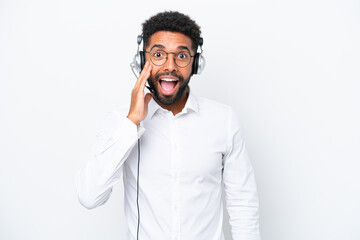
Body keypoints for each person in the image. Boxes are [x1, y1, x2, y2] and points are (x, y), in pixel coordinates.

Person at [76, 11, 261, 240]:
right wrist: (131, 122)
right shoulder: (120, 121)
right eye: (159, 54)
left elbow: (243, 204)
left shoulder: (224, 120)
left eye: (181, 56)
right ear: (142, 60)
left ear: (196, 63)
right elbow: (89, 196)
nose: (170, 66)